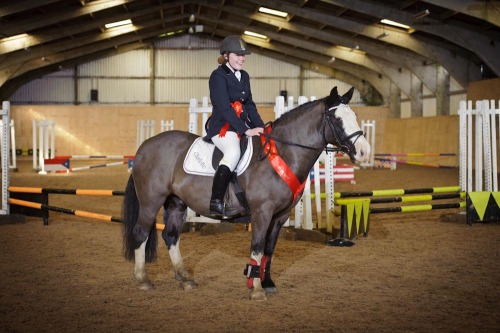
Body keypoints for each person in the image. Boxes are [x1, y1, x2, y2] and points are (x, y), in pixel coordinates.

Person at [205, 35, 265, 218]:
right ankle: (216, 201)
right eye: (238, 55)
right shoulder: (218, 76)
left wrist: (262, 128)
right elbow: (224, 107)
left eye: (243, 55)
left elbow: (249, 105)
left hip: (240, 125)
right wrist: (245, 130)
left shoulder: (244, 76)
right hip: (222, 127)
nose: (242, 58)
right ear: (226, 55)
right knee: (233, 153)